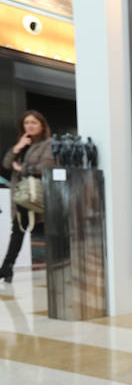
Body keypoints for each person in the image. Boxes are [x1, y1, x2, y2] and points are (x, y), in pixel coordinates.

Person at [1, 110, 54, 283]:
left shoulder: (48, 143)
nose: (29, 126)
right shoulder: (23, 144)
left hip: (37, 195)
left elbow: (47, 166)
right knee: (17, 230)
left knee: (46, 231)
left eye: (33, 122)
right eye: (26, 123)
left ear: (42, 125)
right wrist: (17, 147)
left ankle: (57, 267)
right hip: (21, 196)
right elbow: (6, 164)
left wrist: (21, 169)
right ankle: (7, 268)